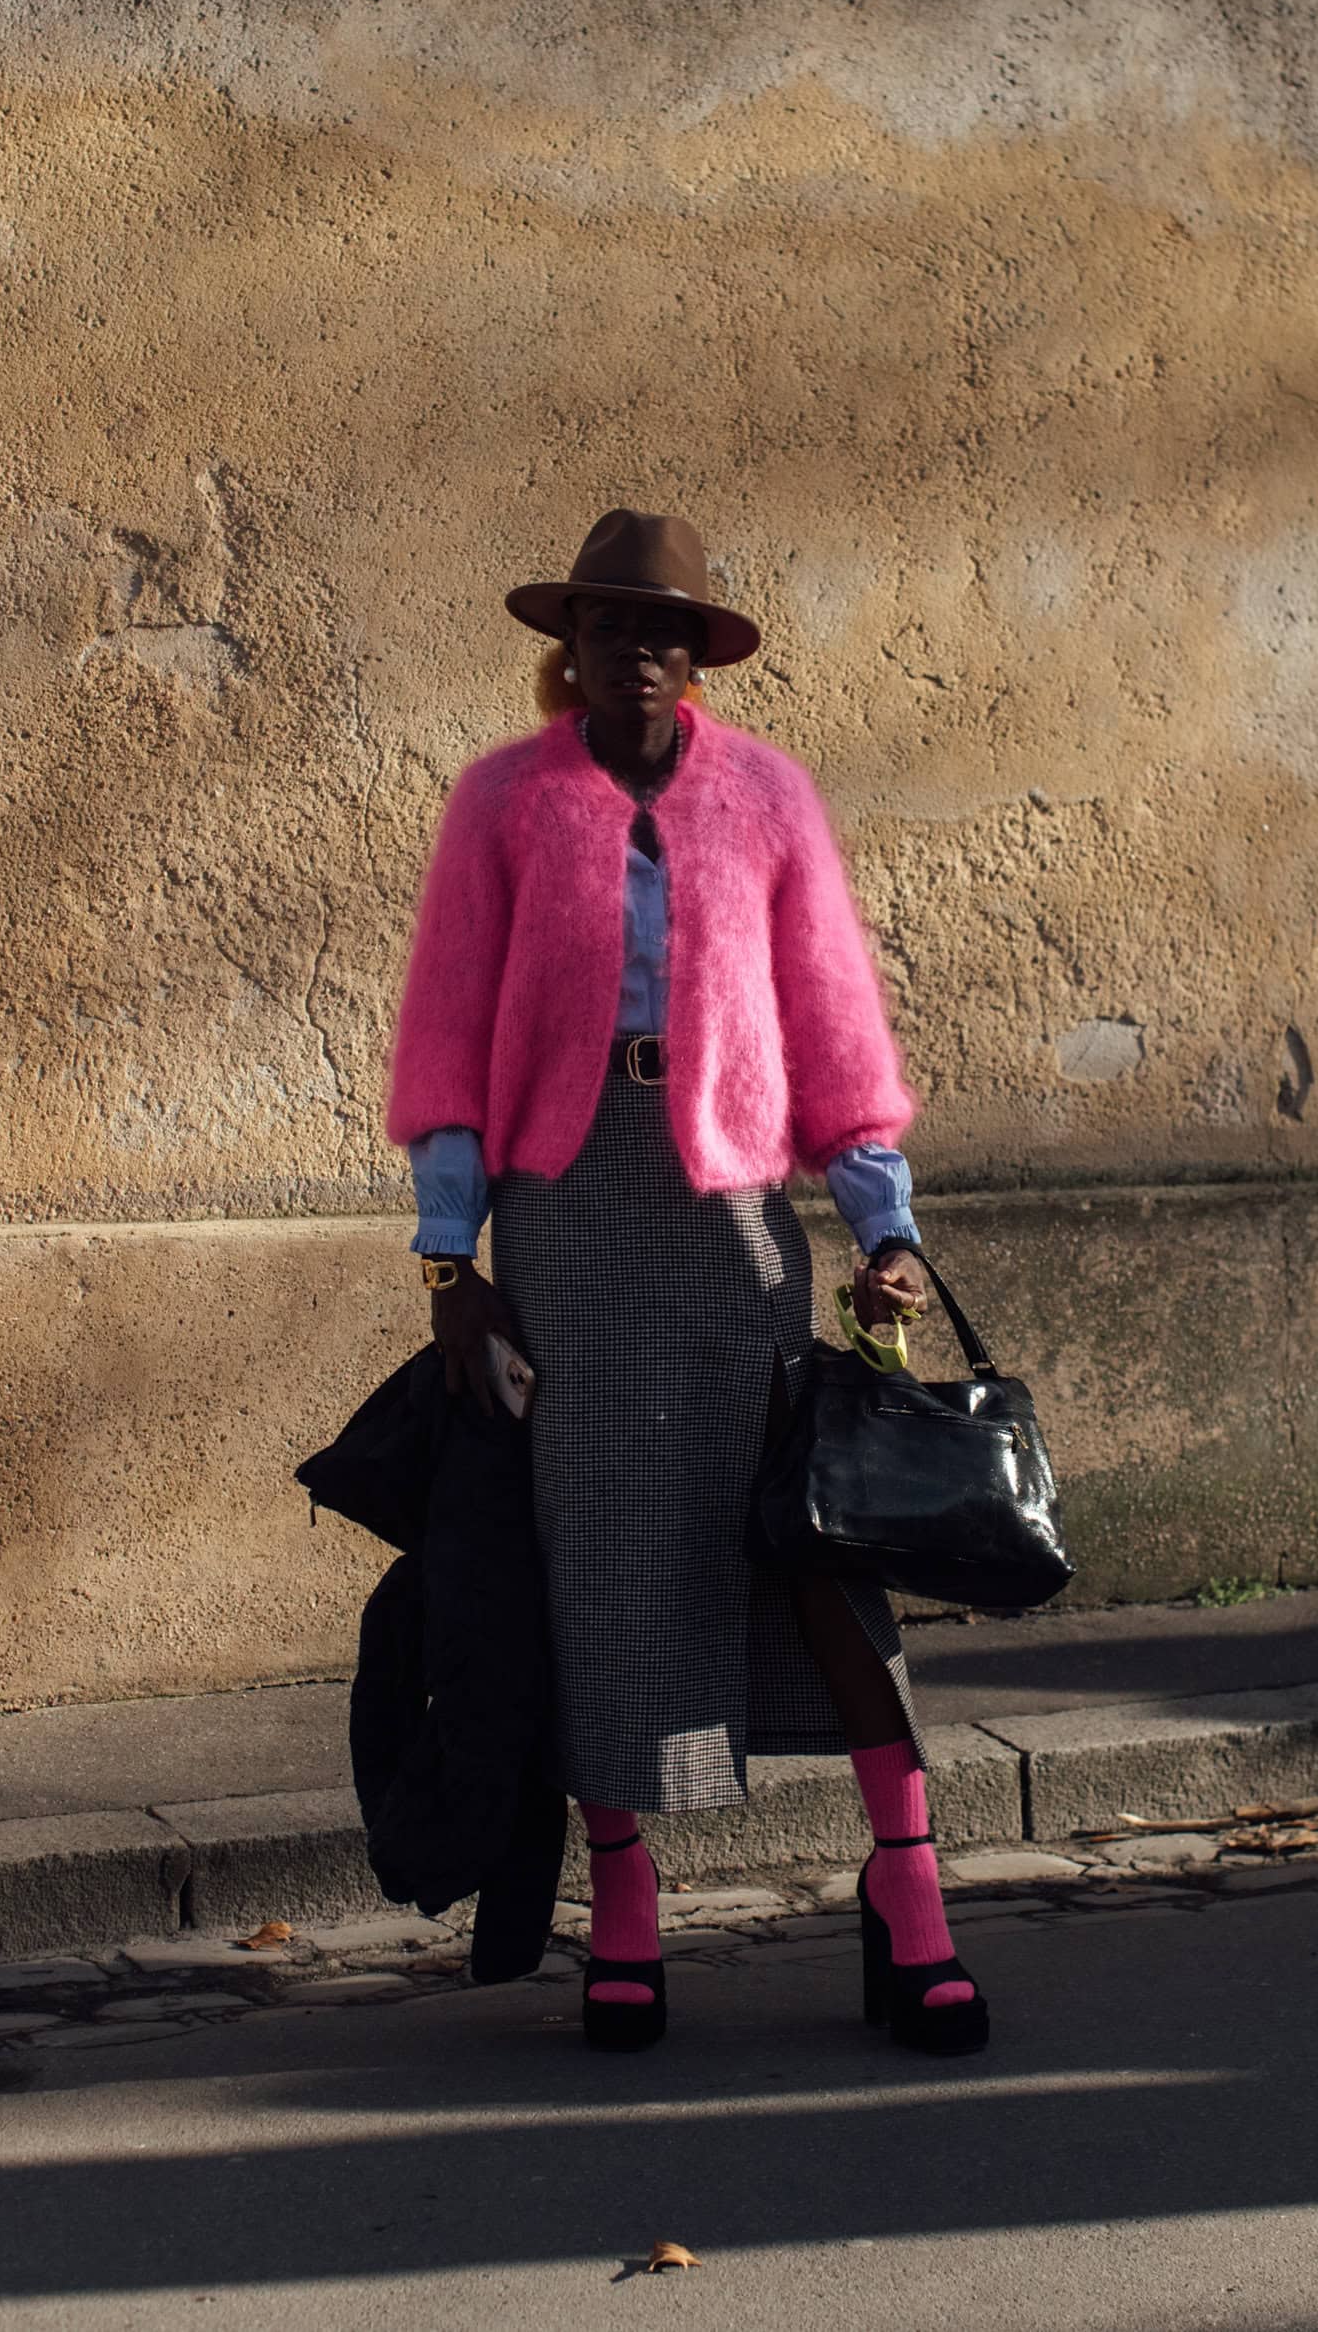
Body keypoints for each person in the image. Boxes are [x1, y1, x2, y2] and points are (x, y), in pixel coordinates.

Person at [386, 510, 987, 2055]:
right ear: (566, 649)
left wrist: (883, 1218)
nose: (637, 653)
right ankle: (630, 1905)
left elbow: (835, 1020)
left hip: (735, 1209)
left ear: (698, 653)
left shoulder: (768, 797)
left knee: (811, 1541)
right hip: (568, 1221)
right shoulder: (501, 806)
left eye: (666, 631)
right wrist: (453, 1261)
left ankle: (908, 1890)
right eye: (609, 628)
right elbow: (448, 1041)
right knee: (597, 1557)